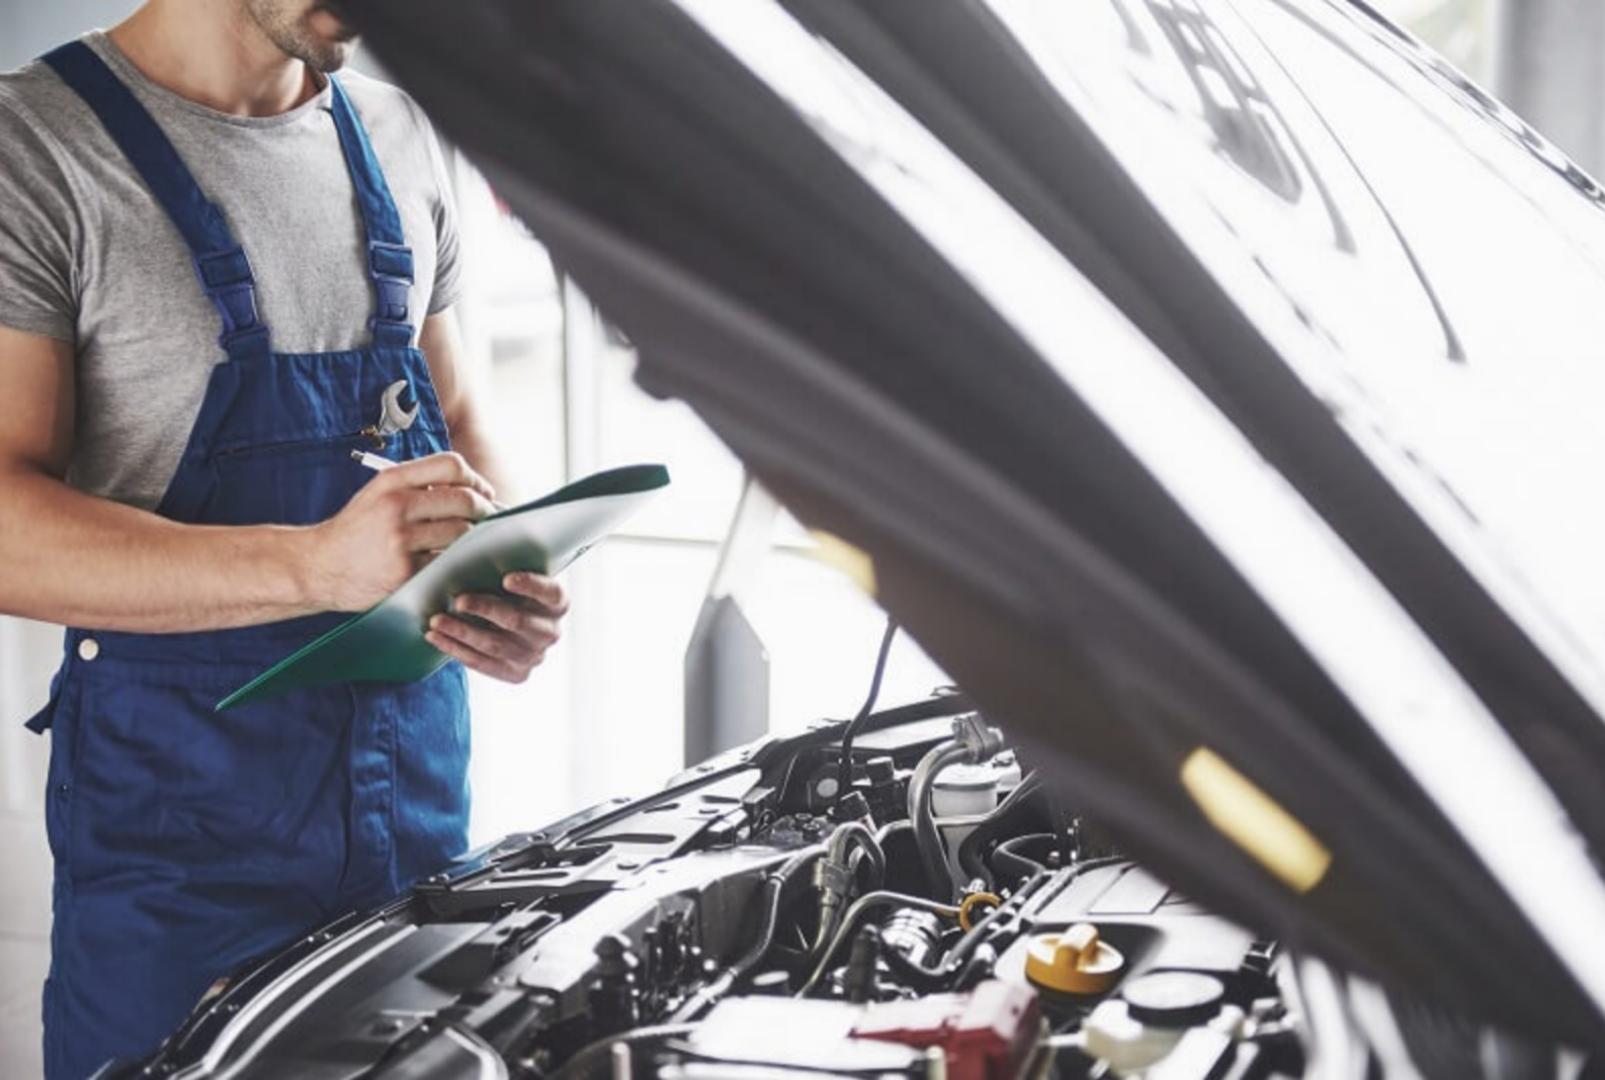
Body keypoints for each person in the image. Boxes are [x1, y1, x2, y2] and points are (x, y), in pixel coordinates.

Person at [0, 1, 568, 1075]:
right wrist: (314, 565)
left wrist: (508, 570)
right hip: (179, 872)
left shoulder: (404, 134)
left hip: (416, 837)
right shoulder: (31, 150)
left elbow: (462, 419)